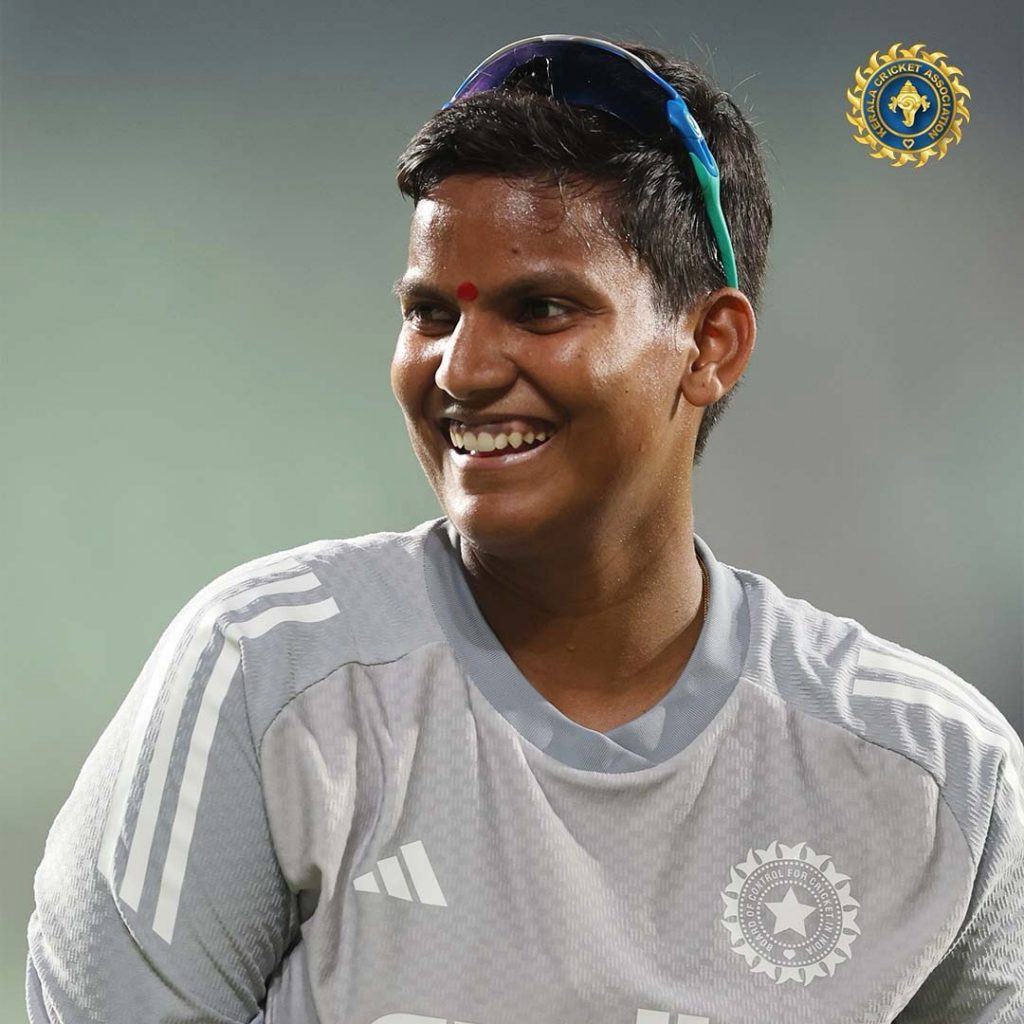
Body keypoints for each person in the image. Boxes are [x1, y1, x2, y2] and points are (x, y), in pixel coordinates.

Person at [25, 34, 1023, 1024]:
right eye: (430, 314)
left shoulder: (938, 773)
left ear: (709, 345)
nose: (461, 369)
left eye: (540, 309)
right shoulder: (263, 672)